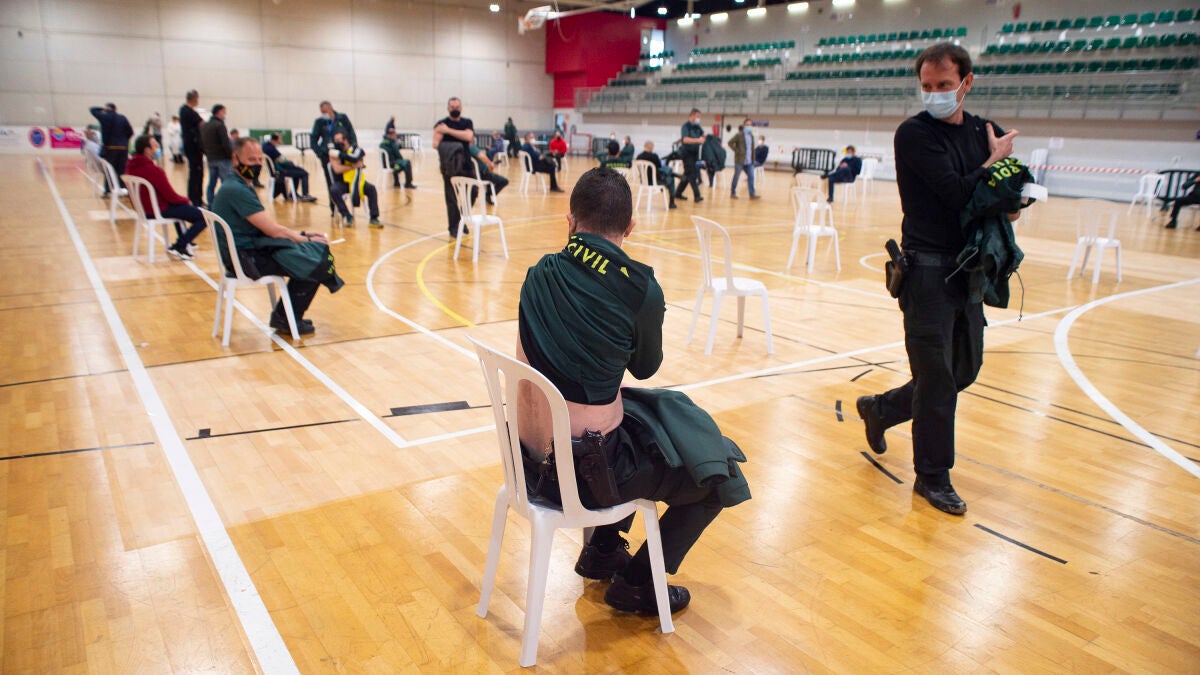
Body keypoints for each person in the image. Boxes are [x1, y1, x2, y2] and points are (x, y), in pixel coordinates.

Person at [516, 167, 749, 614]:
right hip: (586, 477)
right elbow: (644, 368)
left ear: (570, 221)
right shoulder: (639, 287)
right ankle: (639, 584)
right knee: (717, 475)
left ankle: (603, 550)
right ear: (630, 227)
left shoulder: (538, 273)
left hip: (527, 462)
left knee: (642, 426)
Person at [856, 42, 1019, 516]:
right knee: (937, 379)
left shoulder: (983, 132)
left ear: (966, 83)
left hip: (968, 270)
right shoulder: (914, 134)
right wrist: (993, 167)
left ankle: (882, 409)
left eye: (944, 85)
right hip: (926, 272)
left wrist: (1000, 176)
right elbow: (956, 195)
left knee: (963, 370)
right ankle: (932, 476)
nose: (934, 93)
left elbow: (1009, 200)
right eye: (927, 86)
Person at [212, 137, 343, 335]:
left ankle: (286, 315)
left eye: (259, 160)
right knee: (313, 259)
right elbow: (273, 231)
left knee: (310, 253)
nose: (257, 165)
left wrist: (302, 234)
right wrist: (306, 239)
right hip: (246, 259)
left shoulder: (235, 184)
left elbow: (267, 227)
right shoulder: (237, 190)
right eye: (251, 160)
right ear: (235, 159)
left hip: (244, 252)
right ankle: (286, 318)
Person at [124, 135, 207, 260]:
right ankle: (179, 245)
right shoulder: (153, 170)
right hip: (157, 209)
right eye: (155, 146)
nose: (158, 148)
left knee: (181, 208)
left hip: (143, 209)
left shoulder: (131, 166)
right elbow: (171, 196)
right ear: (147, 150)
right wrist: (186, 200)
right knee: (203, 217)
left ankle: (185, 240)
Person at [434, 96, 476, 237]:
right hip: (449, 165)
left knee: (473, 190)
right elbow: (435, 143)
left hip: (466, 164)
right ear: (448, 108)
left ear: (461, 108)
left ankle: (461, 220)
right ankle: (453, 227)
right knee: (451, 198)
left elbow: (468, 136)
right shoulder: (441, 124)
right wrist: (453, 146)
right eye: (452, 107)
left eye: (457, 107)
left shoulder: (467, 122)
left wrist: (448, 131)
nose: (455, 109)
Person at [311, 101, 357, 216]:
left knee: (346, 179)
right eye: (322, 112)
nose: (324, 114)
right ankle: (334, 208)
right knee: (331, 182)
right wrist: (320, 153)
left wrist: (352, 147)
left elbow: (351, 133)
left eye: (325, 111)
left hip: (343, 154)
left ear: (330, 108)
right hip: (327, 156)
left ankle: (350, 204)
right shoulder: (319, 122)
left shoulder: (342, 118)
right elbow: (313, 140)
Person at [329, 131, 381, 227]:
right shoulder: (335, 153)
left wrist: (355, 165)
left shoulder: (355, 151)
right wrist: (352, 166)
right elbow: (337, 169)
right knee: (333, 190)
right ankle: (347, 215)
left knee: (371, 189)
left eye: (338, 140)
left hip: (357, 181)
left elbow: (359, 162)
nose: (336, 143)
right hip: (343, 182)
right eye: (335, 140)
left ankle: (374, 218)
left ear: (345, 140)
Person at [89, 103, 134, 192]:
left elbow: (92, 109)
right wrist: (124, 141)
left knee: (109, 170)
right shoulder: (122, 118)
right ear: (116, 109)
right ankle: (122, 189)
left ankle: (108, 189)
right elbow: (130, 132)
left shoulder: (104, 116)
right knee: (122, 170)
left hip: (110, 148)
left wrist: (104, 109)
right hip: (123, 148)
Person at [262, 133, 318, 202]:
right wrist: (291, 164)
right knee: (304, 173)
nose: (281, 140)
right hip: (281, 171)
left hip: (278, 169)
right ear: (275, 139)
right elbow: (282, 160)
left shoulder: (266, 146)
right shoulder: (271, 149)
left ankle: (293, 194)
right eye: (280, 138)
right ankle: (305, 195)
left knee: (298, 171)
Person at [200, 104, 233, 206]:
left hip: (211, 158)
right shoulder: (219, 125)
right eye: (224, 112)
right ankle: (226, 205)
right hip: (222, 159)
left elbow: (201, 144)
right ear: (219, 112)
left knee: (212, 183)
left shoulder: (205, 126)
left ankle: (211, 204)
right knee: (227, 183)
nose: (225, 114)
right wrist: (231, 156)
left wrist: (207, 154)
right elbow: (225, 143)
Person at [636, 140, 678, 209]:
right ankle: (672, 203)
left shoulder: (639, 157)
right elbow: (659, 167)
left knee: (667, 171)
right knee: (671, 179)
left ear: (644, 146)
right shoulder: (654, 156)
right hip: (655, 181)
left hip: (644, 181)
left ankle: (672, 174)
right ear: (652, 147)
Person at [179, 90, 205, 205]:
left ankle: (196, 198)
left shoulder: (185, 111)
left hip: (192, 145)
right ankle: (195, 200)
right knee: (196, 172)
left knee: (196, 172)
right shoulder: (187, 111)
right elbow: (202, 123)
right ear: (194, 98)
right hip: (193, 146)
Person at [674, 108, 704, 203]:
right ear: (692, 115)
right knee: (692, 174)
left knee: (687, 174)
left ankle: (677, 193)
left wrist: (705, 138)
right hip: (687, 153)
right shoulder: (686, 126)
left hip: (695, 154)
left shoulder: (697, 127)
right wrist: (698, 140)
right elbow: (685, 139)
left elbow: (703, 135)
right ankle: (697, 196)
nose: (699, 118)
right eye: (698, 116)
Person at [727, 118, 759, 200]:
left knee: (751, 177)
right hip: (740, 160)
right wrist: (737, 150)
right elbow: (730, 143)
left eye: (750, 125)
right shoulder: (739, 135)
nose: (749, 126)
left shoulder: (751, 135)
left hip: (749, 161)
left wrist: (753, 158)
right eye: (747, 125)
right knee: (736, 176)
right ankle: (733, 193)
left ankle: (752, 194)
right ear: (744, 125)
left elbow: (751, 148)